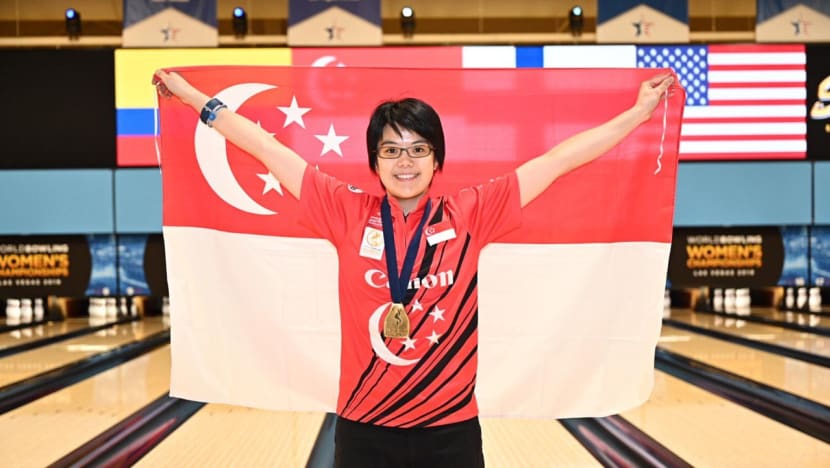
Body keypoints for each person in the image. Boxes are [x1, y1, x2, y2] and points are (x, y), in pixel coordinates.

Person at [154, 69, 674, 467]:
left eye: (419, 149)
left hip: (450, 434)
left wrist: (638, 113)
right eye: (392, 150)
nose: (406, 162)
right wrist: (193, 96)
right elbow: (265, 147)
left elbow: (559, 160)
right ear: (375, 161)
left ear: (436, 159)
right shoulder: (344, 210)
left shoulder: (472, 212)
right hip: (364, 431)